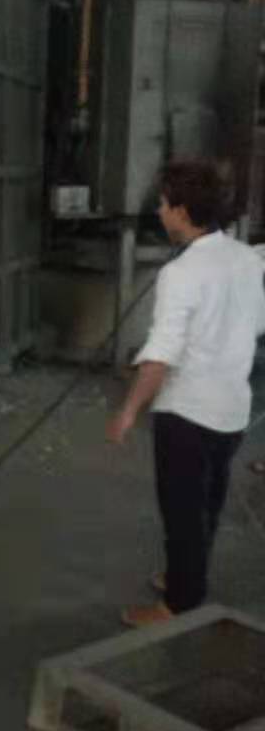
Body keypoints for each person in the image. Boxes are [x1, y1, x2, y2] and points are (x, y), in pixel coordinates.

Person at [108, 160, 265, 626]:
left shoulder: (180, 273)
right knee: (207, 502)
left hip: (188, 414)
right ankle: (186, 575)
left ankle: (177, 604)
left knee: (181, 509)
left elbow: (162, 354)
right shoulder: (245, 258)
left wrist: (129, 410)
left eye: (162, 204)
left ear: (181, 211)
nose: (159, 212)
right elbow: (257, 323)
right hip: (232, 409)